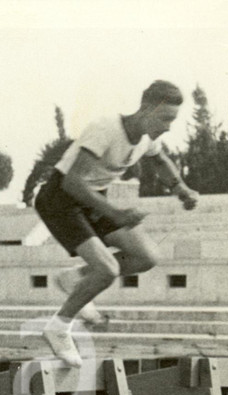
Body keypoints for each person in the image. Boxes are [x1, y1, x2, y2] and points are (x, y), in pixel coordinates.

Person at [34, 80, 199, 367]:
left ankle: (75, 278)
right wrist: (116, 214)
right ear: (146, 109)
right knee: (107, 270)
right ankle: (59, 327)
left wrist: (180, 189)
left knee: (147, 256)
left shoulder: (147, 137)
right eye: (165, 119)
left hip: (91, 198)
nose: (168, 127)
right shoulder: (106, 128)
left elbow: (161, 161)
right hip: (60, 198)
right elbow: (73, 182)